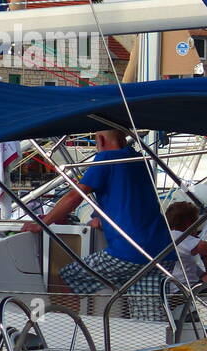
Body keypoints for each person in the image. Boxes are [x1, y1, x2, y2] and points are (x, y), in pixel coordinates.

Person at [24, 129, 173, 320]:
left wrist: (42, 224)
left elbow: (74, 197)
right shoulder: (138, 159)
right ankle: (155, 345)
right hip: (163, 250)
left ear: (101, 140)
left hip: (130, 252)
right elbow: (131, 197)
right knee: (149, 314)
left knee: (69, 276)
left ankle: (69, 329)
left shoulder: (106, 159)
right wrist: (103, 218)